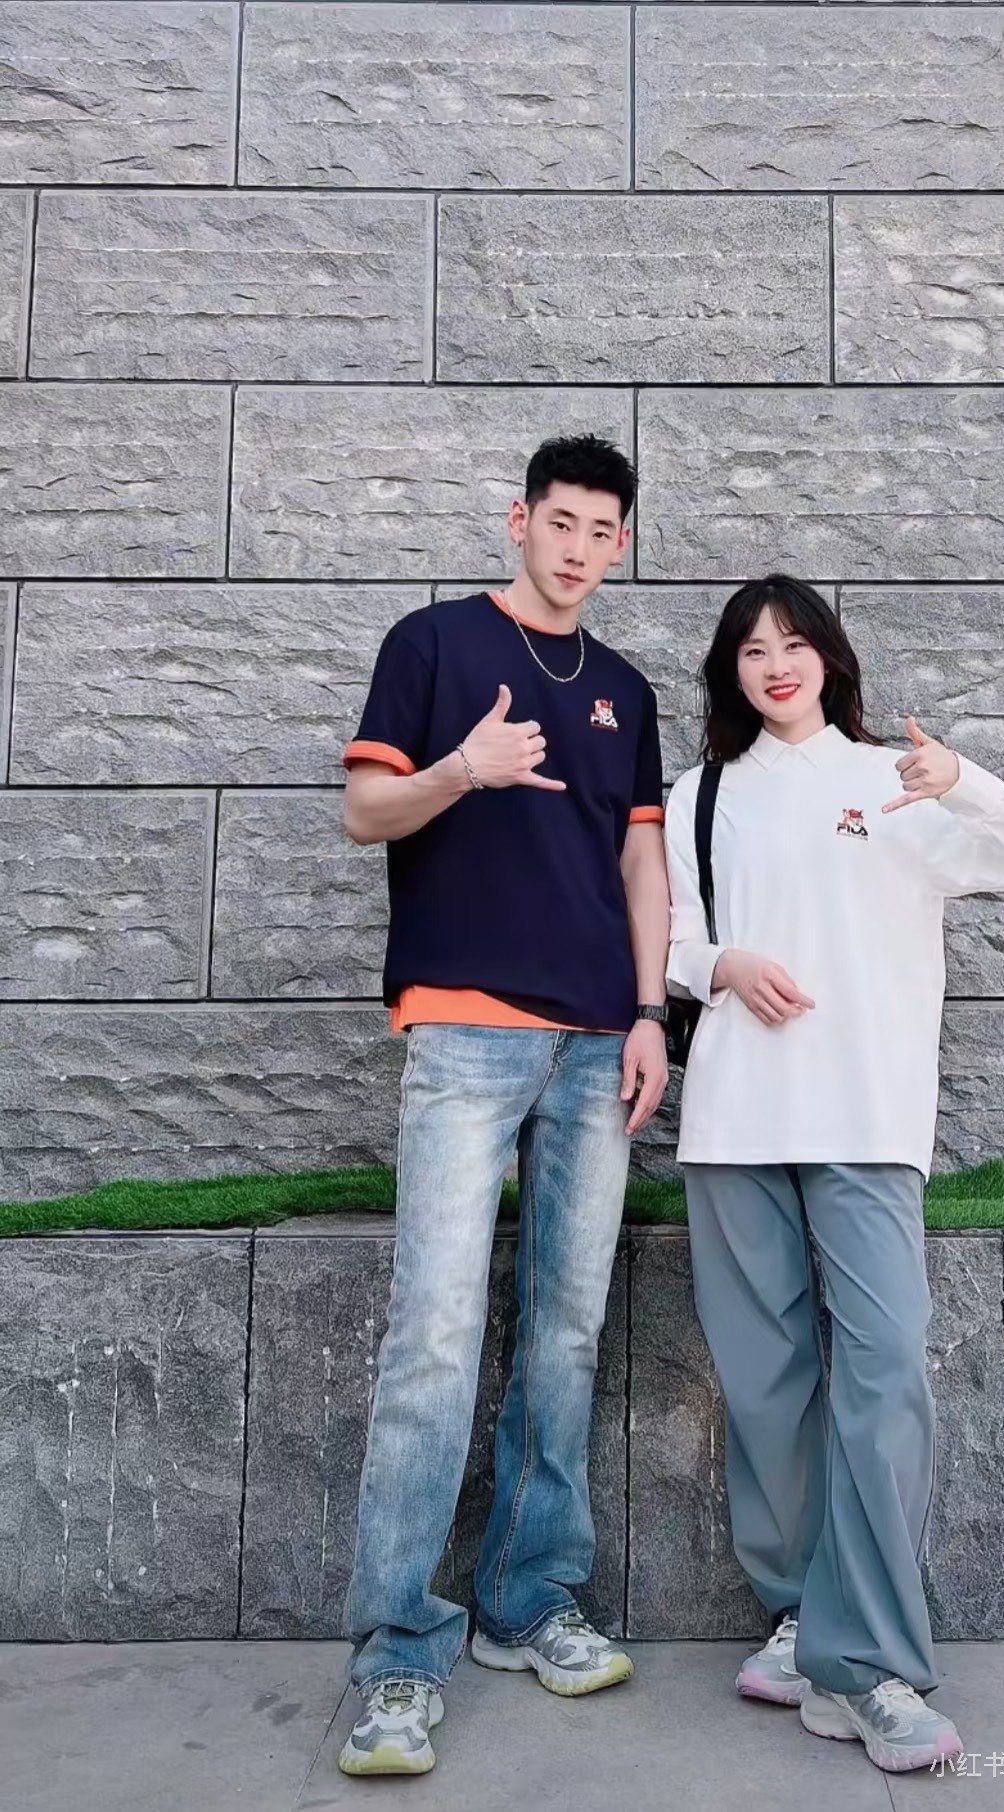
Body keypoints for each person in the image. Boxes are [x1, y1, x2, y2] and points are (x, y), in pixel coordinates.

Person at [663, 575, 1004, 1776]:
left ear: (832, 660)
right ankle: (805, 1620)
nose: (775, 664)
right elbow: (667, 941)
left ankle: (871, 1661)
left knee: (884, 1371)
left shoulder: (898, 780)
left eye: (794, 644)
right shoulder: (699, 794)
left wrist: (965, 781)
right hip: (735, 1122)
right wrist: (723, 963)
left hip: (869, 1118)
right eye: (751, 650)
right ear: (730, 673)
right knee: (766, 1386)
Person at [336, 435, 671, 1777]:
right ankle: (398, 1650)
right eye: (560, 521)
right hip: (466, 1030)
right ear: (516, 519)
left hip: (598, 1045)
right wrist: (461, 772)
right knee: (433, 1333)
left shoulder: (628, 690)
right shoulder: (431, 644)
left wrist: (650, 1015)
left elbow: (641, 864)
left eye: (602, 529)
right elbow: (367, 812)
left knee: (567, 1330)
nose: (578, 547)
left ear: (621, 544)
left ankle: (528, 1601)